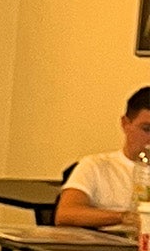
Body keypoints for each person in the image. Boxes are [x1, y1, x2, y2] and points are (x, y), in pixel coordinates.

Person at [53, 87, 150, 230]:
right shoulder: (96, 166)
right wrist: (123, 217)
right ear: (125, 124)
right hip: (108, 248)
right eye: (146, 129)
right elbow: (66, 214)